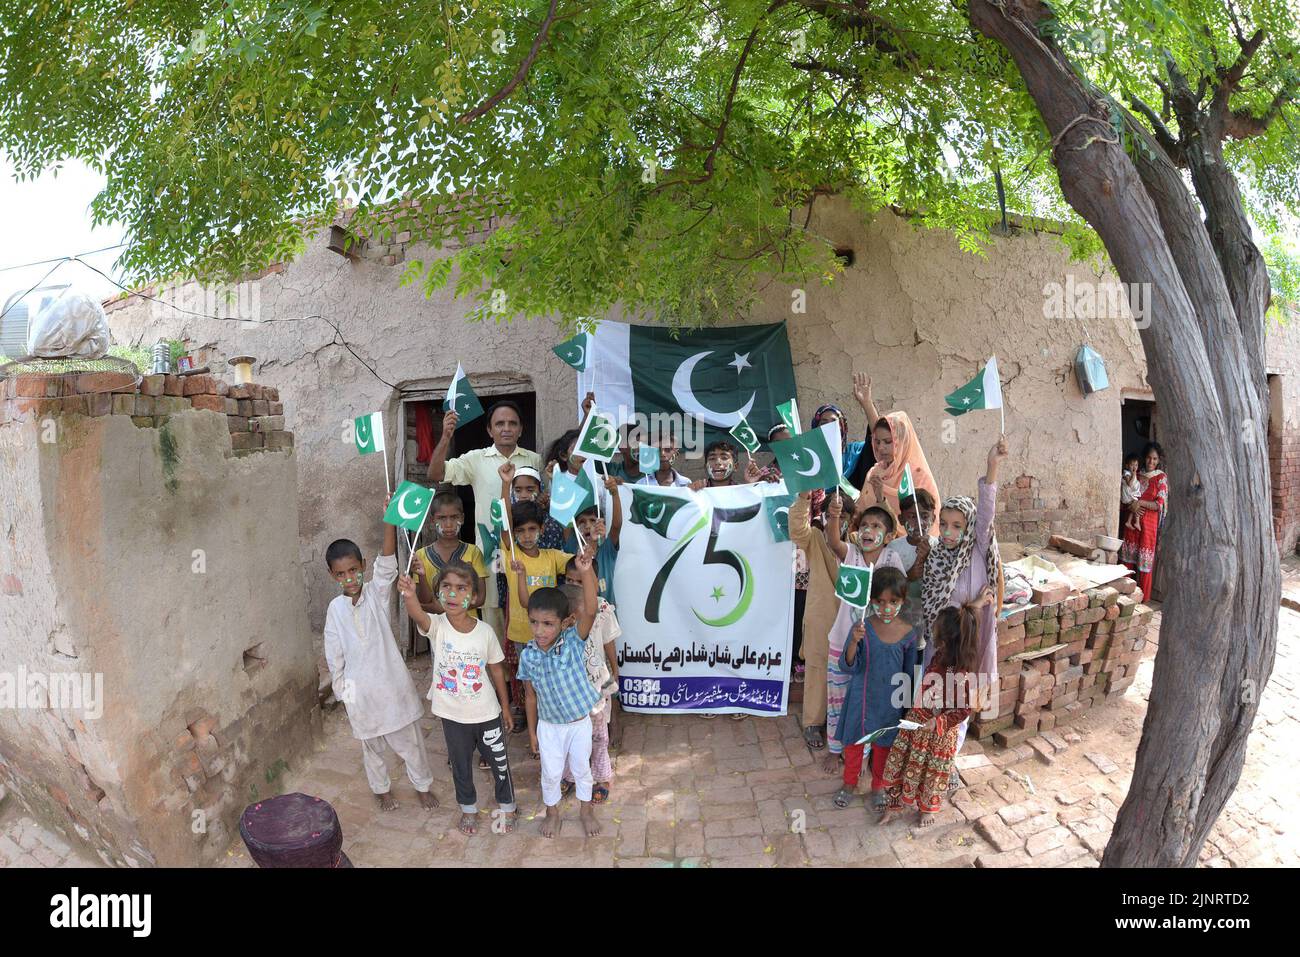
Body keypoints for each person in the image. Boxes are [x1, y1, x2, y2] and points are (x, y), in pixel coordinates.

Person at [323, 517, 438, 812]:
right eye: (341, 574)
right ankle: (381, 789)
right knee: (371, 747)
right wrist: (343, 694)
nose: (349, 578)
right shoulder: (335, 611)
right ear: (332, 576)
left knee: (410, 744)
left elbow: (387, 561)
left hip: (391, 687)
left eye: (353, 570)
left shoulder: (376, 593)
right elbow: (334, 656)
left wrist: (389, 519)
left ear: (362, 566)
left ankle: (422, 785)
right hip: (361, 695)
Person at [397, 561, 517, 835]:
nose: (452, 594)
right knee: (460, 766)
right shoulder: (438, 626)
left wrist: (506, 708)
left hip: (487, 714)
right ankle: (469, 809)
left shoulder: (485, 632)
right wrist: (410, 594)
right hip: (452, 716)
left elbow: (497, 670)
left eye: (461, 588)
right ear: (439, 592)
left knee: (500, 764)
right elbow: (418, 615)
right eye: (446, 587)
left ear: (474, 597)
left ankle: (507, 806)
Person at [920, 437, 1007, 772]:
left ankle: (948, 760)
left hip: (972, 643)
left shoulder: (978, 550)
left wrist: (992, 466)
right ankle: (931, 752)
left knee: (963, 700)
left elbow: (986, 512)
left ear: (969, 528)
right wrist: (972, 603)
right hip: (943, 645)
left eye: (957, 525)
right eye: (943, 524)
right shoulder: (937, 556)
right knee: (935, 696)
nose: (948, 531)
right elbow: (935, 610)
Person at [428, 400, 542, 638]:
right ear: (490, 430)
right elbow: (435, 474)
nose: (506, 428)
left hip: (528, 551)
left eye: (512, 423)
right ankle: (498, 672)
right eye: (499, 423)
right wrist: (446, 436)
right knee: (493, 611)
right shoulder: (476, 459)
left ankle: (525, 672)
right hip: (490, 553)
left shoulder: (534, 460)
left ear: (521, 429)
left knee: (527, 606)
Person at [516, 548, 604, 838]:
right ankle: (552, 813)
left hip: (579, 723)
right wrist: (531, 733)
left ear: (564, 623)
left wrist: (587, 569)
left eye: (548, 624)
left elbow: (590, 609)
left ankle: (586, 809)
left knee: (582, 769)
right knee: (551, 773)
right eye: (534, 622)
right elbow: (530, 696)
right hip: (549, 726)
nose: (539, 630)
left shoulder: (572, 641)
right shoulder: (528, 656)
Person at [819, 489, 907, 769]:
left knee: (864, 703)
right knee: (837, 700)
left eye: (877, 526)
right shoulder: (851, 553)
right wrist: (834, 516)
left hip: (872, 646)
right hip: (841, 641)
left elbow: (897, 599)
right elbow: (833, 541)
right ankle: (835, 750)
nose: (869, 531)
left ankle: (861, 755)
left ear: (890, 535)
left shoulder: (892, 559)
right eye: (865, 525)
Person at [879, 603, 982, 827]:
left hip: (938, 734)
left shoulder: (960, 672)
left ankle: (927, 810)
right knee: (902, 762)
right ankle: (894, 805)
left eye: (935, 630)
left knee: (931, 775)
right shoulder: (940, 657)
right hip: (918, 721)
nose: (931, 632)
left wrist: (938, 721)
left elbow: (964, 709)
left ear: (945, 640)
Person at [834, 566, 919, 809]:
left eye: (893, 602)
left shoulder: (909, 634)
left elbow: (908, 674)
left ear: (903, 600)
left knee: (884, 746)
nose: (886, 608)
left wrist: (905, 709)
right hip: (861, 697)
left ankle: (879, 786)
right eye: (880, 602)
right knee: (854, 744)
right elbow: (848, 666)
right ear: (871, 601)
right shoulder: (862, 628)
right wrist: (853, 642)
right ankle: (849, 783)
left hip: (889, 702)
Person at [505, 501, 573, 745]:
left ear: (542, 530)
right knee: (530, 687)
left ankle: (551, 726)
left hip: (553, 636)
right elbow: (504, 520)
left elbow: (580, 562)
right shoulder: (511, 555)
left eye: (532, 529)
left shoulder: (551, 556)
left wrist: (593, 540)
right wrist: (505, 485)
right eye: (520, 531)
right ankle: (534, 732)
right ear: (513, 533)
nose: (526, 536)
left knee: (551, 683)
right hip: (524, 635)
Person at [558, 555, 621, 804]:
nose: (574, 585)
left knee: (598, 736)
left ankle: (602, 776)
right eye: (569, 580)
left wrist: (615, 668)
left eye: (581, 580)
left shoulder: (602, 608)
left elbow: (608, 641)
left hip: (594, 685)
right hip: (568, 691)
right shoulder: (558, 607)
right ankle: (570, 774)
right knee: (569, 736)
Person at [865, 409, 941, 537]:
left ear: (902, 442)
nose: (880, 448)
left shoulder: (918, 477)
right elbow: (862, 514)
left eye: (888, 442)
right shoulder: (875, 473)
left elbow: (924, 524)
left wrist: (881, 499)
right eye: (877, 442)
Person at [414, 492, 489, 619]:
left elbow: (480, 598)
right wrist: (422, 576)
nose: (448, 524)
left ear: (463, 518)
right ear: (433, 520)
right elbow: (423, 601)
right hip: (437, 628)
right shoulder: (421, 556)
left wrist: (443, 608)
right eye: (442, 518)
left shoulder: (473, 552)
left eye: (454, 517)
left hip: (468, 625)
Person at [882, 486, 938, 627]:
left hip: (931, 624)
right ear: (901, 519)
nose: (919, 523)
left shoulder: (939, 547)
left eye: (925, 516)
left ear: (934, 518)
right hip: (900, 624)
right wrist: (909, 577)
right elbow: (886, 588)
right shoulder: (893, 549)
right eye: (912, 517)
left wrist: (930, 558)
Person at [1120, 441, 1167, 598]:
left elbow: (1159, 504)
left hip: (1148, 525)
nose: (1151, 462)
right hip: (1132, 523)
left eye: (1154, 459)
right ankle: (1124, 595)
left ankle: (1143, 599)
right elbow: (1127, 493)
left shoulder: (1161, 478)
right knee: (1128, 560)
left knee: (1144, 564)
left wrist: (1140, 503)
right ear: (1144, 458)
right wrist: (1132, 505)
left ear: (1158, 460)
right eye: (1148, 458)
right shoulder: (1136, 474)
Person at [1120, 452, 1144, 532]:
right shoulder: (1126, 473)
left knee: (1133, 507)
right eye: (1132, 465)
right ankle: (1136, 522)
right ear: (1127, 466)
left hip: (1130, 495)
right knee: (1136, 505)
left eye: (1136, 465)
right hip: (1127, 496)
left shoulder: (1132, 473)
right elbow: (1129, 484)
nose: (1134, 467)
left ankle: (1129, 522)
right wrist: (1133, 475)